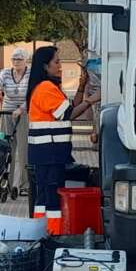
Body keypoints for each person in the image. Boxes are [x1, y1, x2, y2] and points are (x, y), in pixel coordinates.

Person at [26, 46, 101, 214]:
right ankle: (50, 231)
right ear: (46, 66)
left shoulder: (49, 87)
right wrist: (91, 101)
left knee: (45, 197)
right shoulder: (46, 88)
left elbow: (70, 108)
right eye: (57, 61)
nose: (60, 65)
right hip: (49, 154)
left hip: (49, 154)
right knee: (51, 198)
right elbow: (69, 114)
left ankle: (43, 228)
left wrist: (81, 87)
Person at [0, 48, 30, 195]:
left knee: (23, 148)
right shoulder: (5, 73)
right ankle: (7, 182)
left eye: (19, 59)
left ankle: (23, 183)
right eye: (14, 59)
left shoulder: (30, 74)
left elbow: (32, 95)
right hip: (7, 111)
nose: (16, 62)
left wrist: (21, 109)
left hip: (24, 112)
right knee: (7, 146)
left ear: (26, 60)